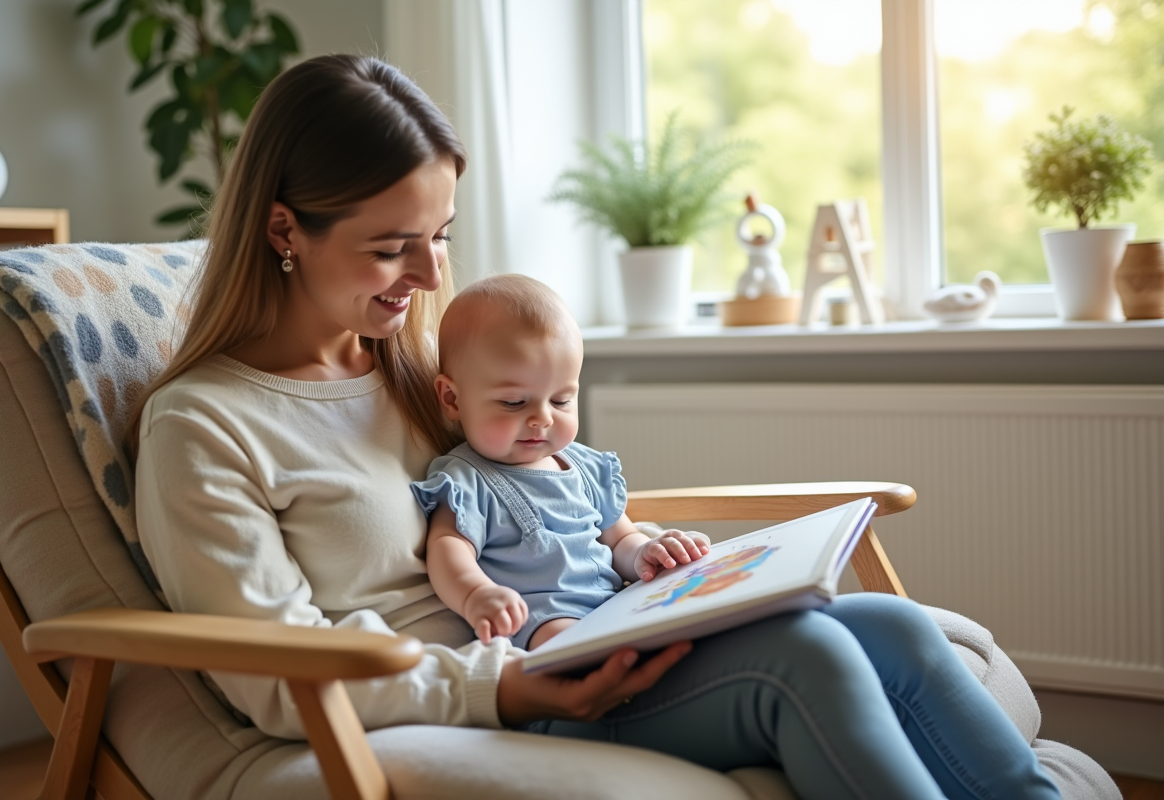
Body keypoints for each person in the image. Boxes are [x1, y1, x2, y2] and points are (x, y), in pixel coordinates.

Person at [131, 54, 1061, 800]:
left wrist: (646, 553)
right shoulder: (206, 426)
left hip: (583, 633)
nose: (429, 273)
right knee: (806, 658)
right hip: (502, 686)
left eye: (441, 234)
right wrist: (500, 684)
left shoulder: (424, 376)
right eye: (389, 247)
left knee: (887, 628)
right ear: (285, 228)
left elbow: (555, 501)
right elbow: (269, 672)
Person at [410, 274, 711, 650]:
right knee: (571, 643)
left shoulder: (585, 467)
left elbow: (621, 540)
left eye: (561, 401)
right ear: (452, 399)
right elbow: (448, 549)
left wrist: (646, 554)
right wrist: (475, 596)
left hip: (617, 604)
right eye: (514, 403)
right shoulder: (465, 480)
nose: (543, 419)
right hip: (543, 619)